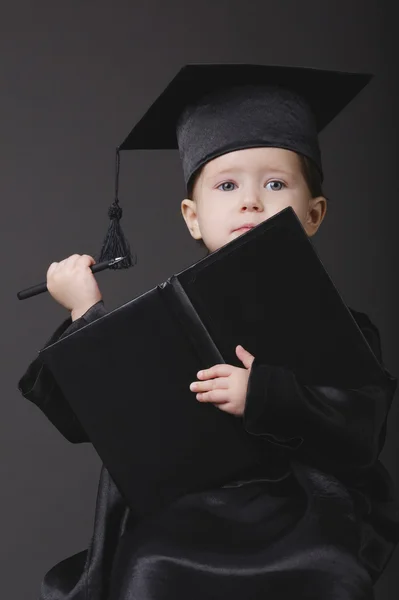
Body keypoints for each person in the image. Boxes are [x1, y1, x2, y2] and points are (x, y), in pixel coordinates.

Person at [18, 64, 399, 599]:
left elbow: (362, 426)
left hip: (301, 514)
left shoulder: (339, 326)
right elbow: (99, 416)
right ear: (192, 217)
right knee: (151, 565)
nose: (251, 200)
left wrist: (264, 393)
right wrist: (86, 312)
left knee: (330, 574)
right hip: (184, 517)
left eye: (275, 183)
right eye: (227, 184)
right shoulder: (164, 324)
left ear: (313, 214)